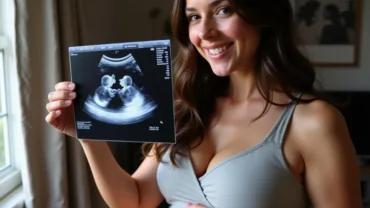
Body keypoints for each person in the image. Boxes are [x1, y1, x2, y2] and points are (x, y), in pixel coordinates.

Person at [45, 0, 363, 207]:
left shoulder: (313, 122)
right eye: (194, 17)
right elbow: (135, 200)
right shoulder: (188, 109)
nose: (205, 32)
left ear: (263, 17)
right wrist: (88, 132)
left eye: (223, 10)